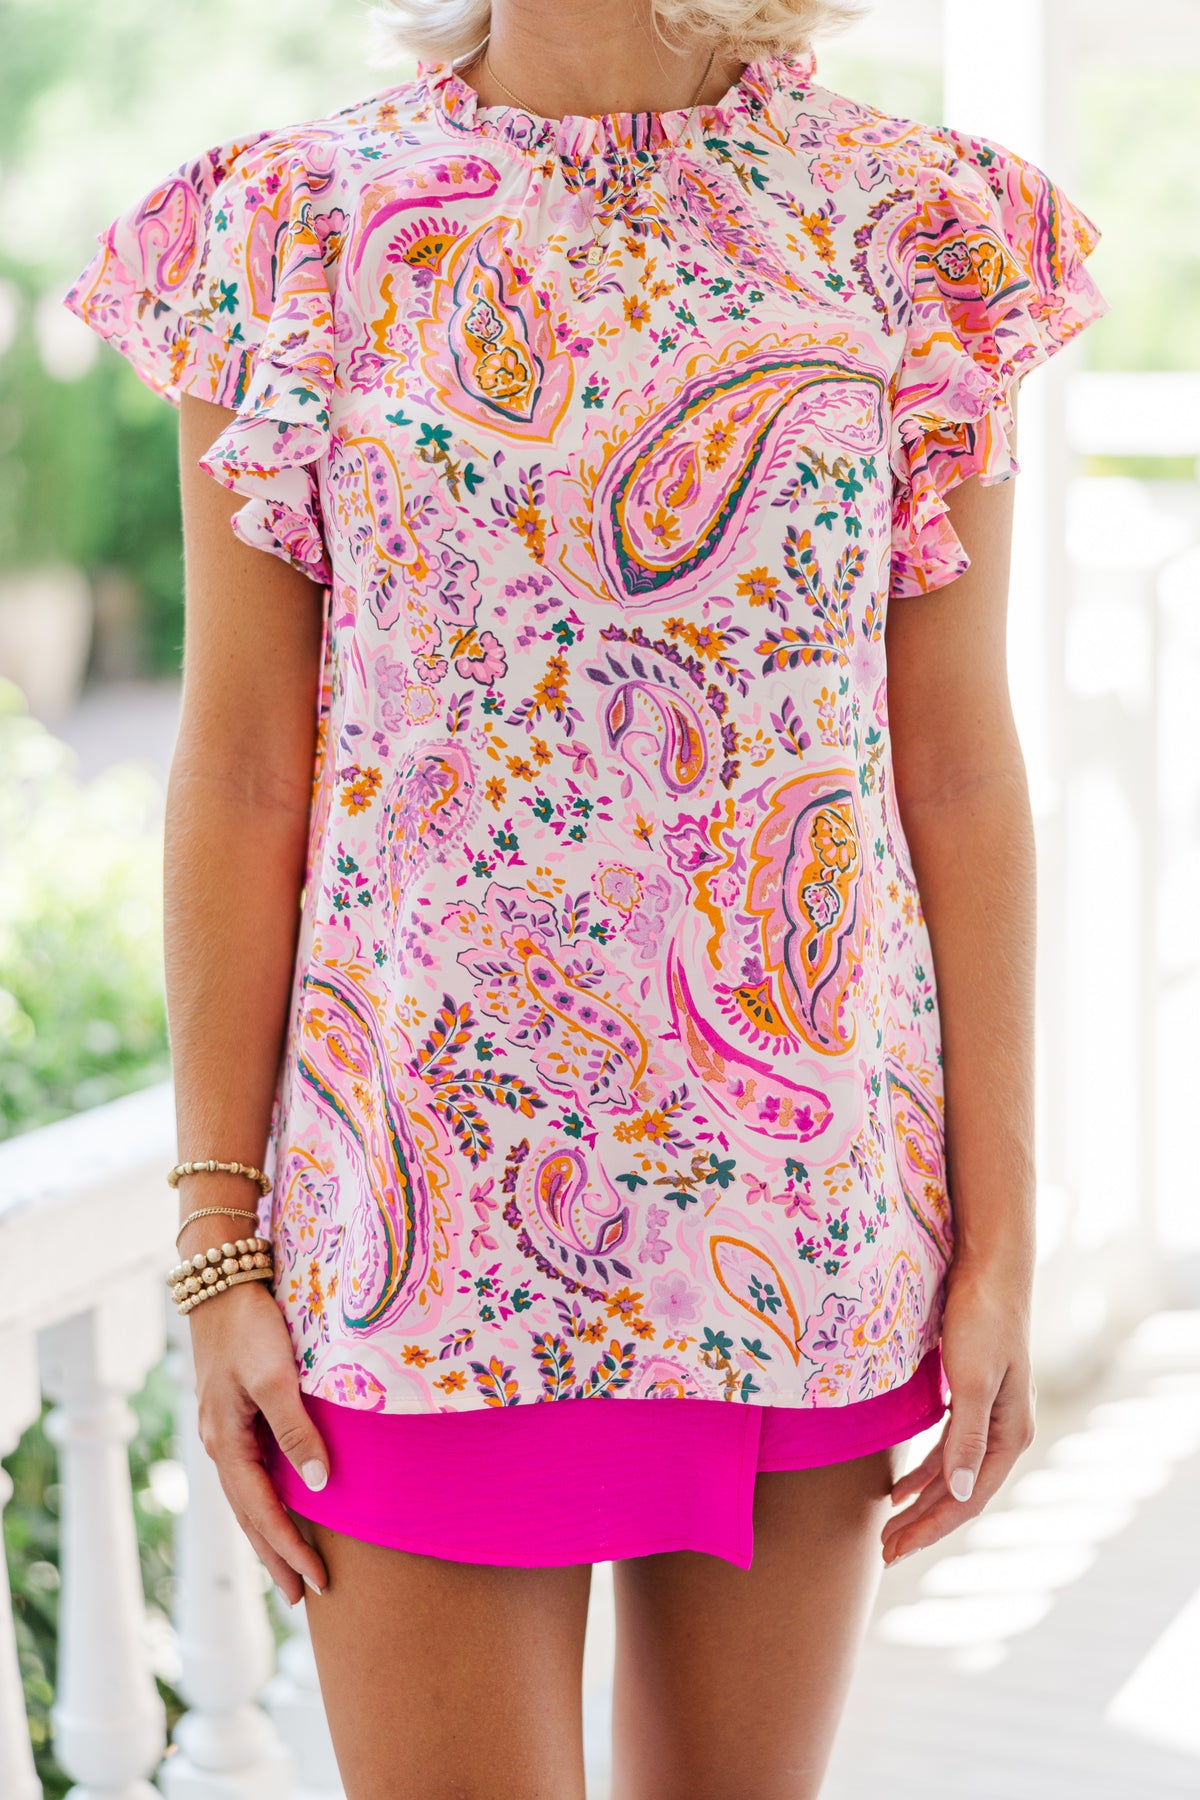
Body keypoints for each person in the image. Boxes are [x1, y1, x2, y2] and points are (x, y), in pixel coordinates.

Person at [64, 1, 1107, 1794]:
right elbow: (239, 774)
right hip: (418, 1240)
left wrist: (1002, 1242)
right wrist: (221, 1247)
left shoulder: (918, 226)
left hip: (799, 1226)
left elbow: (955, 768)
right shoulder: (291, 226)